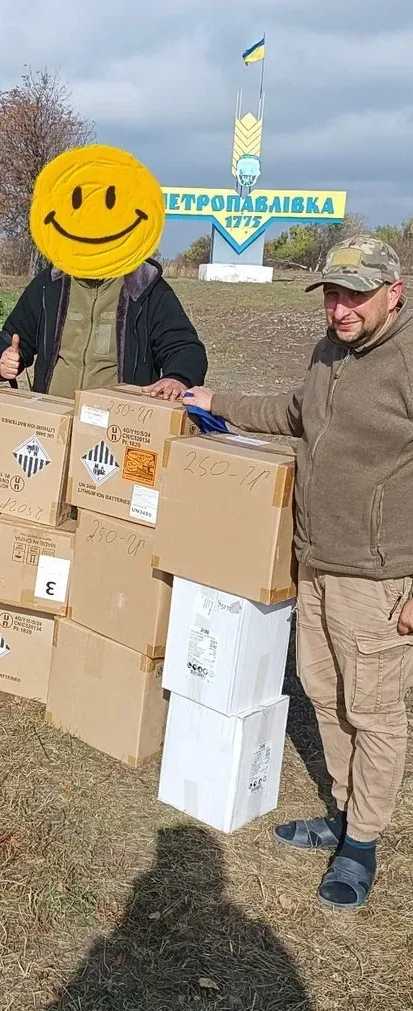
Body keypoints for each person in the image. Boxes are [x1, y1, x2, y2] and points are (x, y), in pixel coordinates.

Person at [184, 235, 412, 911]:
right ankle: (343, 815)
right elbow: (293, 414)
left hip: (378, 574)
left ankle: (363, 843)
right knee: (323, 691)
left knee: (372, 710)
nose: (341, 309)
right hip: (314, 559)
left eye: (356, 295)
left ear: (394, 292)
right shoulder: (328, 355)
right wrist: (215, 398)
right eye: (333, 295)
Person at [0, 257, 207, 399]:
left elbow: (185, 348)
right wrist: (4, 360)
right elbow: (13, 338)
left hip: (121, 426)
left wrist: (179, 377)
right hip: (53, 421)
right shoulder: (49, 284)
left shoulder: (146, 288)